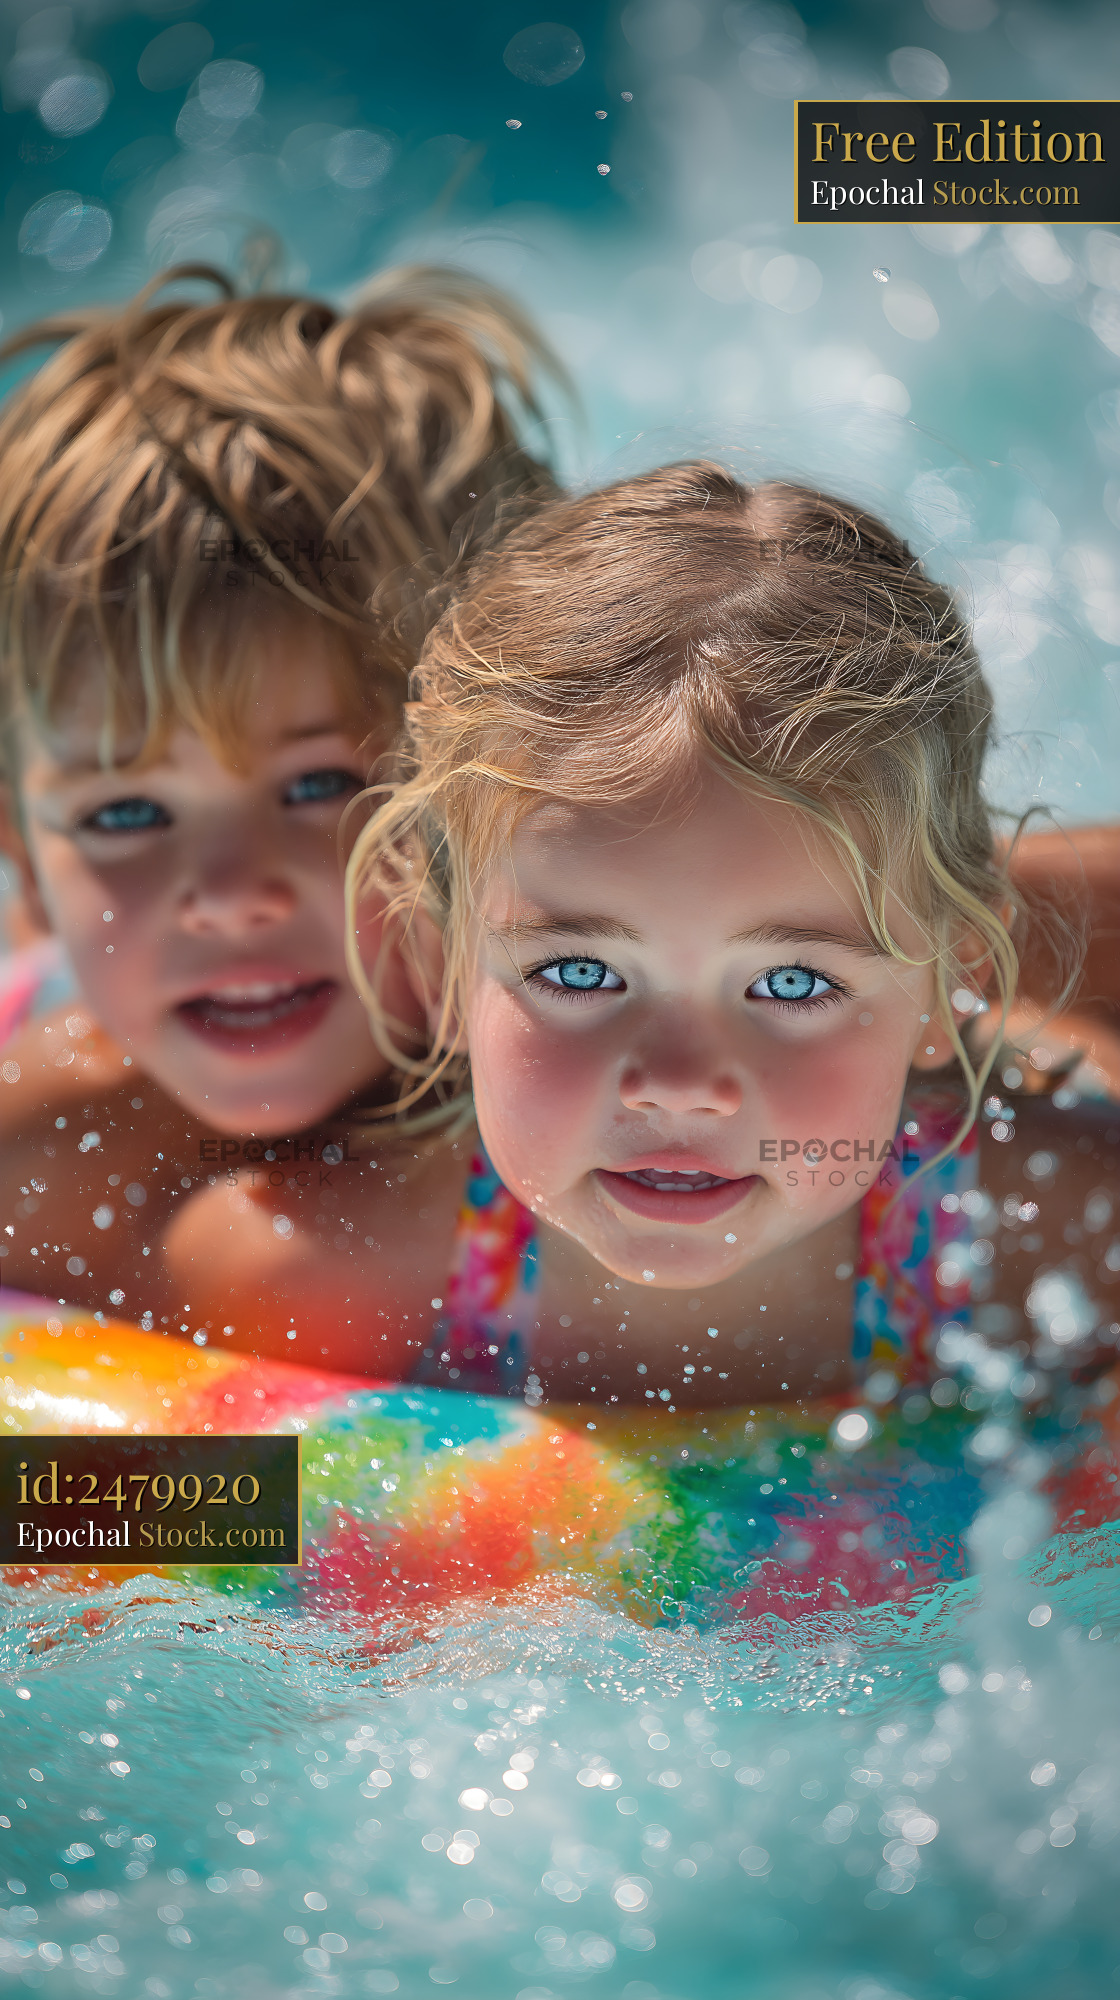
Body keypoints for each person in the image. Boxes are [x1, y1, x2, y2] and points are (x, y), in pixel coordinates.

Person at [339, 462, 1120, 1406]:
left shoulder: (1052, 1235)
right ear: (440, 968)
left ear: (943, 990)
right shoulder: (348, 1269)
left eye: (790, 983)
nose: (679, 1084)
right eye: (581, 971)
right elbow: (123, 1515)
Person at [0, 262, 555, 1359]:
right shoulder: (47, 1158)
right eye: (124, 815)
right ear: (22, 848)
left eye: (321, 786)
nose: (227, 894)